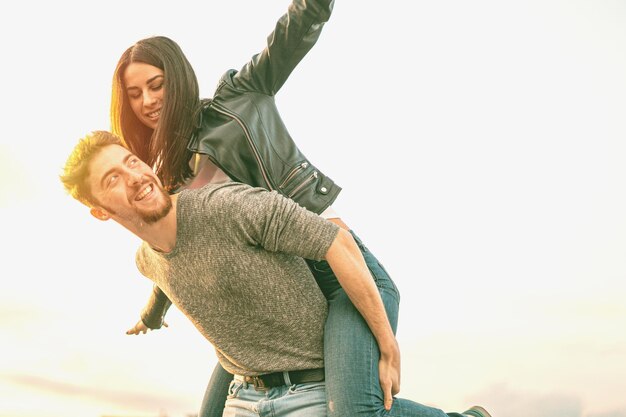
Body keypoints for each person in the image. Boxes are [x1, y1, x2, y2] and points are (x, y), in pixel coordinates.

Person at [107, 1, 490, 416]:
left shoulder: (238, 99)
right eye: (135, 93)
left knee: (354, 412)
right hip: (278, 306)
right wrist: (152, 312)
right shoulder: (165, 180)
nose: (147, 100)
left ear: (178, 79)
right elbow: (174, 255)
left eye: (157, 84)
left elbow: (290, 36)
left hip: (338, 276)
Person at [59, 130, 493, 417]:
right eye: (112, 179)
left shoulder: (227, 207)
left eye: (132, 161)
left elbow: (336, 242)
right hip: (249, 395)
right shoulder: (146, 261)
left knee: (355, 412)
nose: (134, 177)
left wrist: (386, 344)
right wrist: (150, 318)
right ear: (99, 211)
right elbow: (172, 280)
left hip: (314, 371)